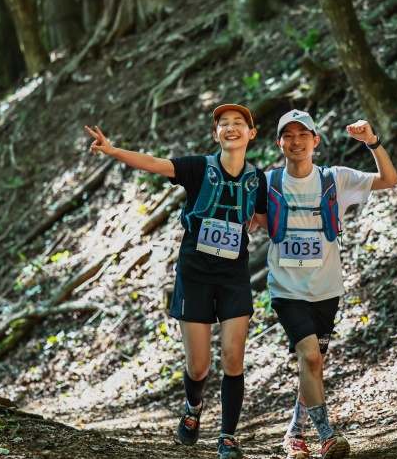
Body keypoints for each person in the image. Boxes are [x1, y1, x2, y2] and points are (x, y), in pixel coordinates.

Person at [84, 104, 268, 459]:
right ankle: (193, 407)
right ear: (216, 134)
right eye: (224, 124)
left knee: (233, 359)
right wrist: (114, 151)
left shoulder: (256, 179)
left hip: (233, 277)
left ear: (251, 133)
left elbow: (262, 218)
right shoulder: (199, 167)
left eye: (238, 123)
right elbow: (155, 164)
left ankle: (227, 437)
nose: (231, 128)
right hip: (195, 276)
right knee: (199, 365)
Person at [257, 109, 397, 459]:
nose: (296, 141)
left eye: (303, 135)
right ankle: (327, 436)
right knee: (309, 356)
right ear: (279, 143)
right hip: (287, 289)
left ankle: (293, 434)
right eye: (288, 135)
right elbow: (250, 218)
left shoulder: (336, 179)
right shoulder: (265, 183)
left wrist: (372, 142)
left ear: (315, 141)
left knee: (314, 364)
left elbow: (390, 179)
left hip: (327, 290)